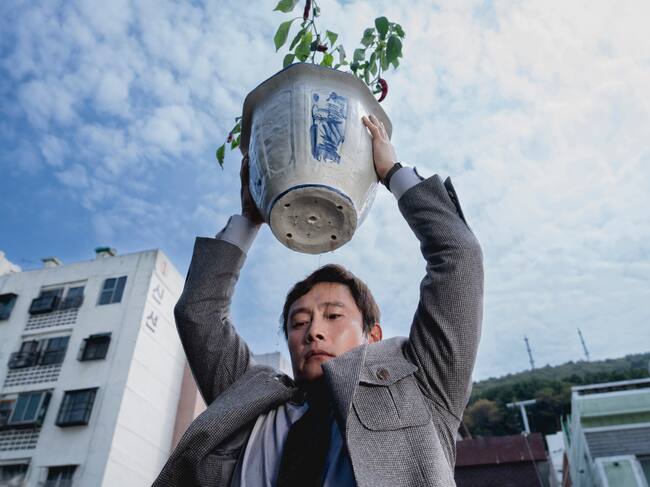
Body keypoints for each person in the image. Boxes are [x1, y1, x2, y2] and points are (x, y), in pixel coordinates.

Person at [153, 114, 484, 487]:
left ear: (372, 335)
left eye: (334, 316)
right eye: (298, 323)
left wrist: (392, 172)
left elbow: (459, 256)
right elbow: (198, 312)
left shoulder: (424, 382)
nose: (313, 332)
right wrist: (249, 218)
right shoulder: (247, 397)